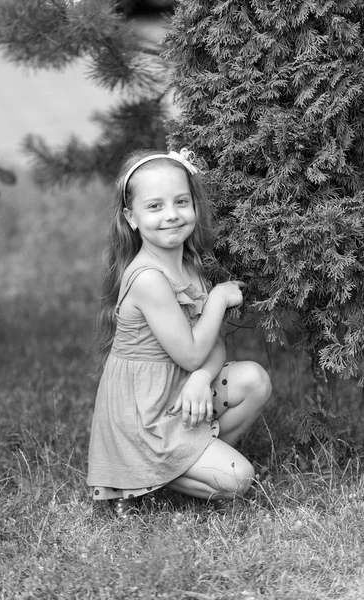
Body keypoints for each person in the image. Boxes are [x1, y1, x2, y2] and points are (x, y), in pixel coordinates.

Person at [87, 148, 272, 515]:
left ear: (194, 205)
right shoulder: (149, 279)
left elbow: (209, 345)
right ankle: (144, 475)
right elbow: (190, 352)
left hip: (180, 393)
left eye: (181, 202)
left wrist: (201, 378)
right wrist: (218, 298)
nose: (171, 215)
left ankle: (195, 459)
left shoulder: (188, 265)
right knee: (239, 479)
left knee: (255, 380)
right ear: (131, 217)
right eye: (154, 207)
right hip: (146, 413)